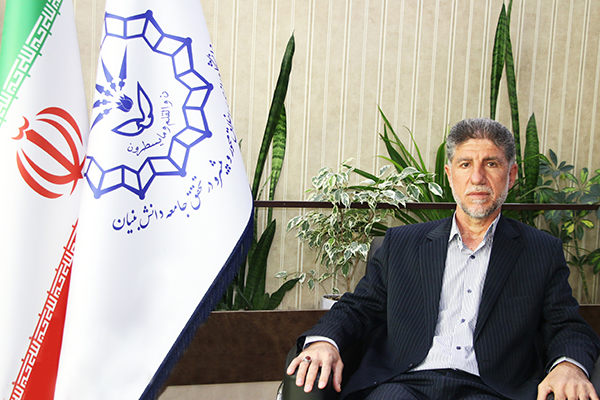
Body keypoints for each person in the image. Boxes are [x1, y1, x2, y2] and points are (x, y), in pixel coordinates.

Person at [286, 118, 600, 400]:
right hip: (404, 382)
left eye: (491, 164)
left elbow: (566, 324)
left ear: (511, 175)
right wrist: (325, 341)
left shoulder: (540, 250)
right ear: (450, 175)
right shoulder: (402, 244)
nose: (477, 177)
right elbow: (359, 307)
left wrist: (569, 366)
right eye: (465, 164)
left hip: (490, 389)